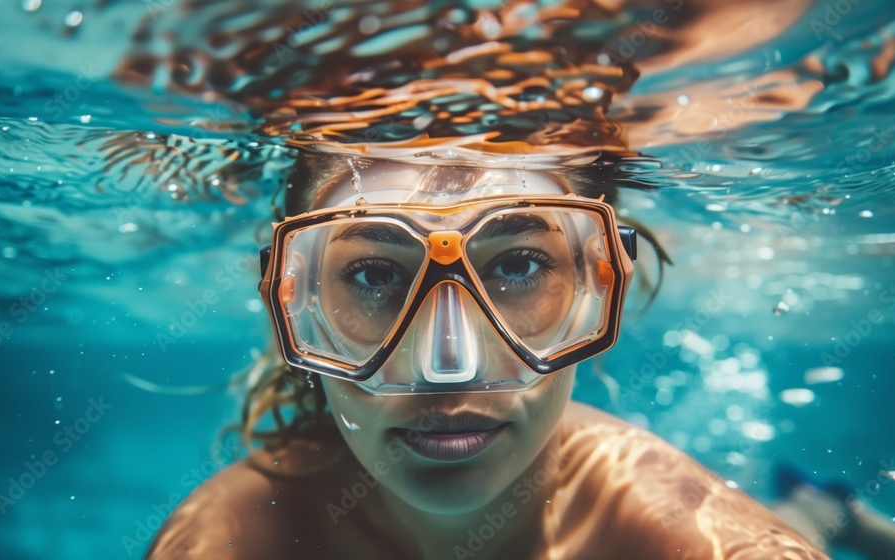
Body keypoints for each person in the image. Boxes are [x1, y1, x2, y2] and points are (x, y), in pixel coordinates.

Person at [144, 151, 828, 559]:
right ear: (295, 304)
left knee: (804, 521)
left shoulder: (691, 536)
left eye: (521, 266)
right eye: (375, 276)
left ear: (600, 284)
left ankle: (826, 513)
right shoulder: (228, 540)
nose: (451, 364)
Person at [771, 464, 895, 560]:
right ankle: (840, 507)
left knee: (794, 514)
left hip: (808, 509)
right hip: (840, 511)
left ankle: (807, 499)